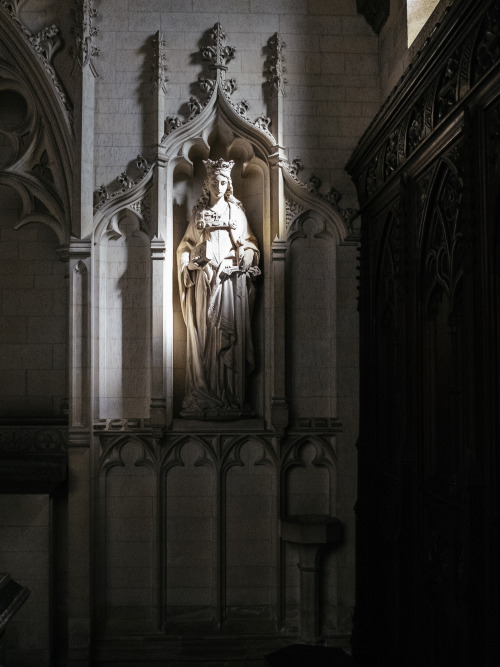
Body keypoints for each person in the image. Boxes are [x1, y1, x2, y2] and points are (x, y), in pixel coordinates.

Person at [177, 158, 260, 419]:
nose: (219, 186)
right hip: (203, 281)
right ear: (207, 184)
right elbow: (184, 249)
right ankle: (203, 393)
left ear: (228, 184)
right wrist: (191, 262)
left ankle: (231, 397)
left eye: (223, 182)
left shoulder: (237, 213)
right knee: (204, 334)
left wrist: (244, 259)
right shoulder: (199, 215)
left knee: (228, 335)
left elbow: (250, 246)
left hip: (229, 282)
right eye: (214, 182)